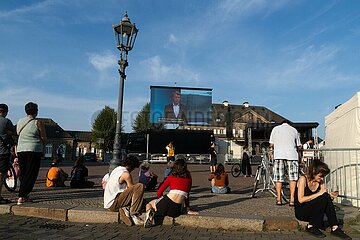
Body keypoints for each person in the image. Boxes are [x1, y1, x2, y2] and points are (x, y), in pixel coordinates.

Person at [294, 160, 352, 239]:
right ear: (314, 172)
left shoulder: (320, 181)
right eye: (320, 176)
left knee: (326, 197)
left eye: (323, 176)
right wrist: (319, 194)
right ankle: (312, 226)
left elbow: (323, 195)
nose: (322, 178)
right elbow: (300, 199)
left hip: (313, 209)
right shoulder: (303, 179)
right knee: (323, 196)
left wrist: (330, 195)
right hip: (302, 210)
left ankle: (334, 227)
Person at [143, 158, 199, 228]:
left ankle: (149, 213)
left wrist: (160, 198)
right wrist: (188, 209)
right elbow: (187, 194)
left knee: (149, 204)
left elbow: (159, 192)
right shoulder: (189, 178)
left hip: (166, 202)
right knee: (179, 205)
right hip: (176, 210)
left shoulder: (171, 177)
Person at [16, 102, 47, 205]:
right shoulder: (38, 122)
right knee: (31, 173)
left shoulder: (20, 121)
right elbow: (44, 138)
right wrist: (44, 142)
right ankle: (22, 196)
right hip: (34, 150)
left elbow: (17, 133)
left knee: (23, 173)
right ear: (36, 111)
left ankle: (23, 194)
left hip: (21, 149)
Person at [104, 156, 144, 226]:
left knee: (141, 200)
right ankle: (134, 213)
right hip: (114, 202)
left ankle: (124, 209)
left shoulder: (117, 169)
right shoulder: (126, 174)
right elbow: (132, 189)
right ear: (132, 167)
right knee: (139, 186)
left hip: (109, 204)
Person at [269, 120, 301, 206]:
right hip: (292, 156)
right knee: (293, 178)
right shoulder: (294, 130)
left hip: (279, 155)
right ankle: (292, 199)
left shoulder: (275, 129)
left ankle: (279, 199)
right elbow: (298, 145)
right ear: (289, 124)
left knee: (278, 178)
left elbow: (271, 144)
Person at [0, 103, 15, 204]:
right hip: (2, 151)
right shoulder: (6, 121)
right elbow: (13, 132)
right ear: (5, 112)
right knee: (1, 174)